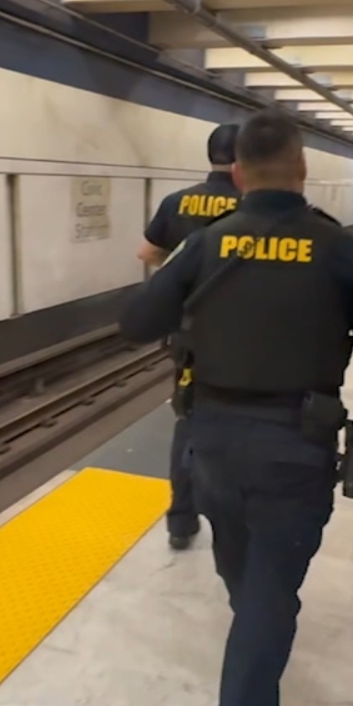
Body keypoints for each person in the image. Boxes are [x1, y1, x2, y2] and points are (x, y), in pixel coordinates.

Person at [120, 110, 353, 706]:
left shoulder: (207, 243)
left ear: (240, 173)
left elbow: (137, 325)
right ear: (303, 168)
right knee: (267, 593)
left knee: (244, 572)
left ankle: (256, 634)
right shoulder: (337, 249)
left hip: (213, 446)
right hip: (296, 447)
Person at [137, 124, 242, 549]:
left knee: (189, 420)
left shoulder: (178, 200)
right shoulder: (253, 204)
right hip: (244, 335)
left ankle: (181, 520)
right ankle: (232, 517)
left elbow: (147, 253)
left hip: (190, 335)